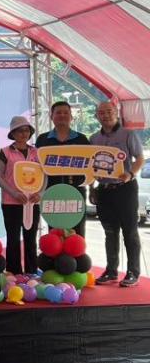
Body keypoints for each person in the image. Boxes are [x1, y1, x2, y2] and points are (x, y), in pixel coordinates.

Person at [90, 102, 144, 287]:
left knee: (130, 231)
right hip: (103, 190)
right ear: (97, 116)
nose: (105, 115)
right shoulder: (94, 138)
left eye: (109, 111)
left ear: (116, 113)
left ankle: (133, 272)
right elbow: (90, 166)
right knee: (110, 232)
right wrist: (92, 188)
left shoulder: (128, 134)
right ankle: (111, 271)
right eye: (101, 112)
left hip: (125, 188)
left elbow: (140, 158)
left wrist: (130, 174)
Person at [34, 101, 90, 237]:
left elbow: (90, 166)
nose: (62, 115)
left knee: (77, 233)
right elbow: (36, 167)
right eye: (58, 113)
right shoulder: (43, 139)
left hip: (76, 192)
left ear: (71, 116)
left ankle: (77, 251)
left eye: (66, 112)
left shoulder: (82, 139)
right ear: (51, 116)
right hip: (51, 192)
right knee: (55, 232)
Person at [0, 116, 40, 275]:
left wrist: (40, 193)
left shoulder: (36, 152)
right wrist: (13, 193)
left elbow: (45, 175)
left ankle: (31, 272)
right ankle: (14, 273)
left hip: (32, 202)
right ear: (13, 133)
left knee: (31, 238)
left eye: (26, 130)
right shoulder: (5, 152)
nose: (23, 133)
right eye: (19, 131)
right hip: (11, 202)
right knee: (13, 238)